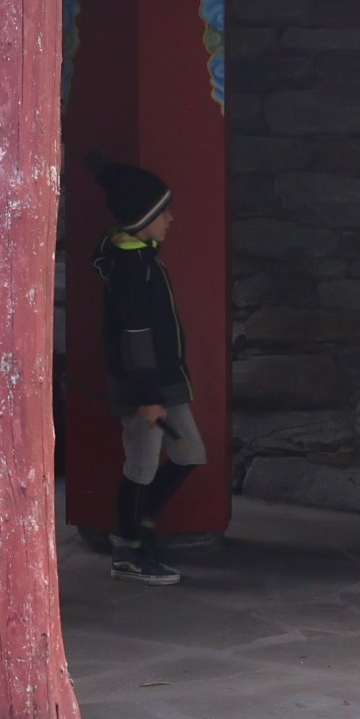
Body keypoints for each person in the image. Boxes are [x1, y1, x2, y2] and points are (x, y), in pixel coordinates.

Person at [91, 151, 205, 586]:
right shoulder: (130, 268)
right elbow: (136, 339)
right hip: (145, 387)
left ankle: (142, 529)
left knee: (189, 452)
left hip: (165, 381)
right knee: (141, 466)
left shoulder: (145, 259)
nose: (171, 218)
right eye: (163, 212)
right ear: (143, 219)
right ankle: (129, 550)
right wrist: (148, 397)